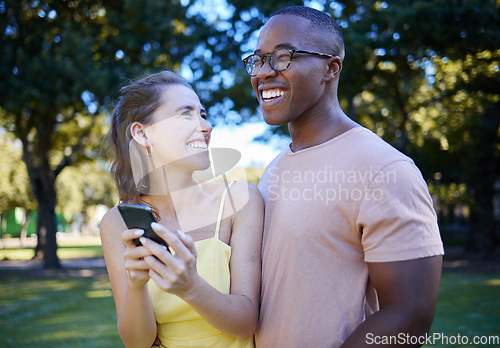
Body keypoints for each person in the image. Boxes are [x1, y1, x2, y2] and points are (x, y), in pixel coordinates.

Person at [242, 6, 444, 347]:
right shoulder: (274, 169)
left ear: (330, 68)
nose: (263, 72)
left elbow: (409, 315)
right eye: (258, 59)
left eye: (282, 56)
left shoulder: (384, 170)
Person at [100, 70, 263, 348]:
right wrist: (138, 285)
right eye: (186, 114)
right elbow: (137, 343)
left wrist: (192, 288)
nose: (205, 126)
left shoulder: (239, 199)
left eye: (203, 114)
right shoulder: (116, 223)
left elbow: (247, 323)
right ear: (142, 133)